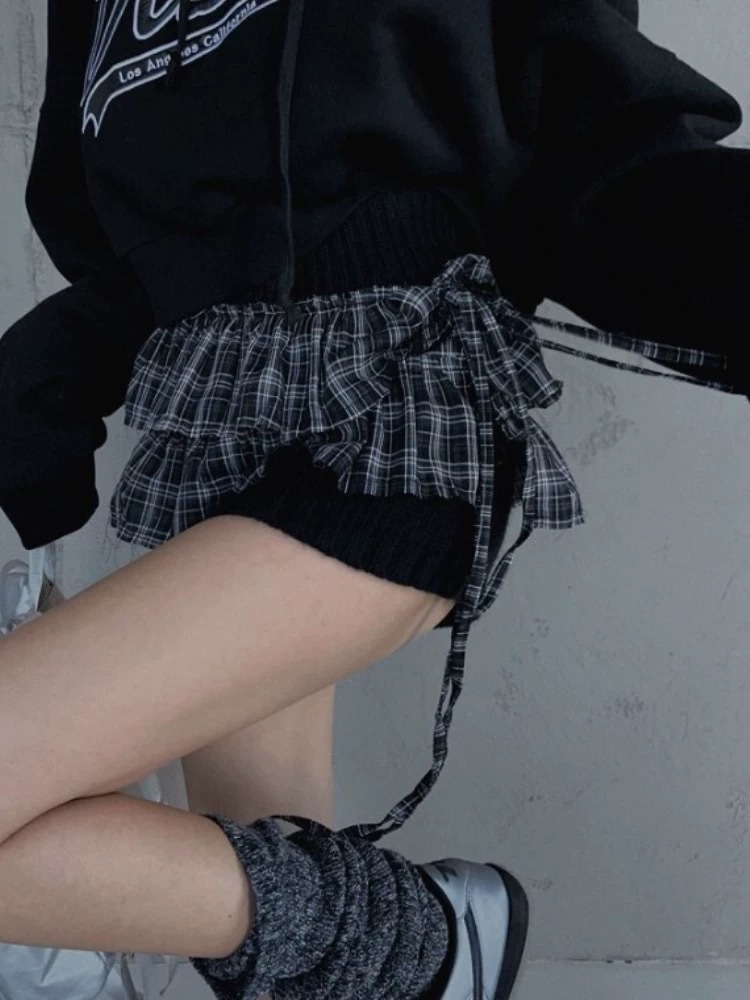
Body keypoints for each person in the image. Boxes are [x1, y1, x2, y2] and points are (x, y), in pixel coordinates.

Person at [0, 1, 747, 997]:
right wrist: (33, 416)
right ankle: (382, 948)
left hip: (396, 423)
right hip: (214, 434)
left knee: (289, 917)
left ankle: (424, 942)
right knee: (283, 940)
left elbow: (597, 147)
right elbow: (119, 256)